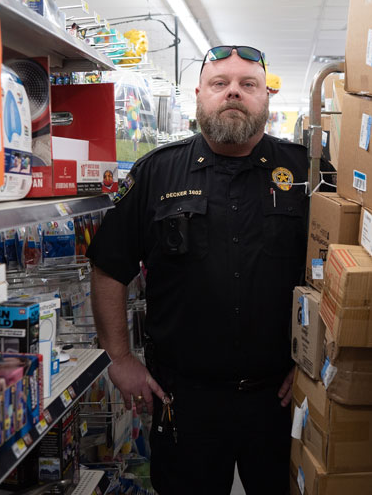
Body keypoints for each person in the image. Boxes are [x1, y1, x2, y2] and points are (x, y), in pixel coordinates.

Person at [86, 46, 309, 495]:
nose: (233, 93)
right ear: (198, 95)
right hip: (184, 401)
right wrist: (120, 356)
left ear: (267, 97)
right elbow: (109, 266)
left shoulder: (305, 172)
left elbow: (336, 271)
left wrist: (313, 365)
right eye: (219, 84)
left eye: (248, 85)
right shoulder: (156, 173)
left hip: (281, 398)